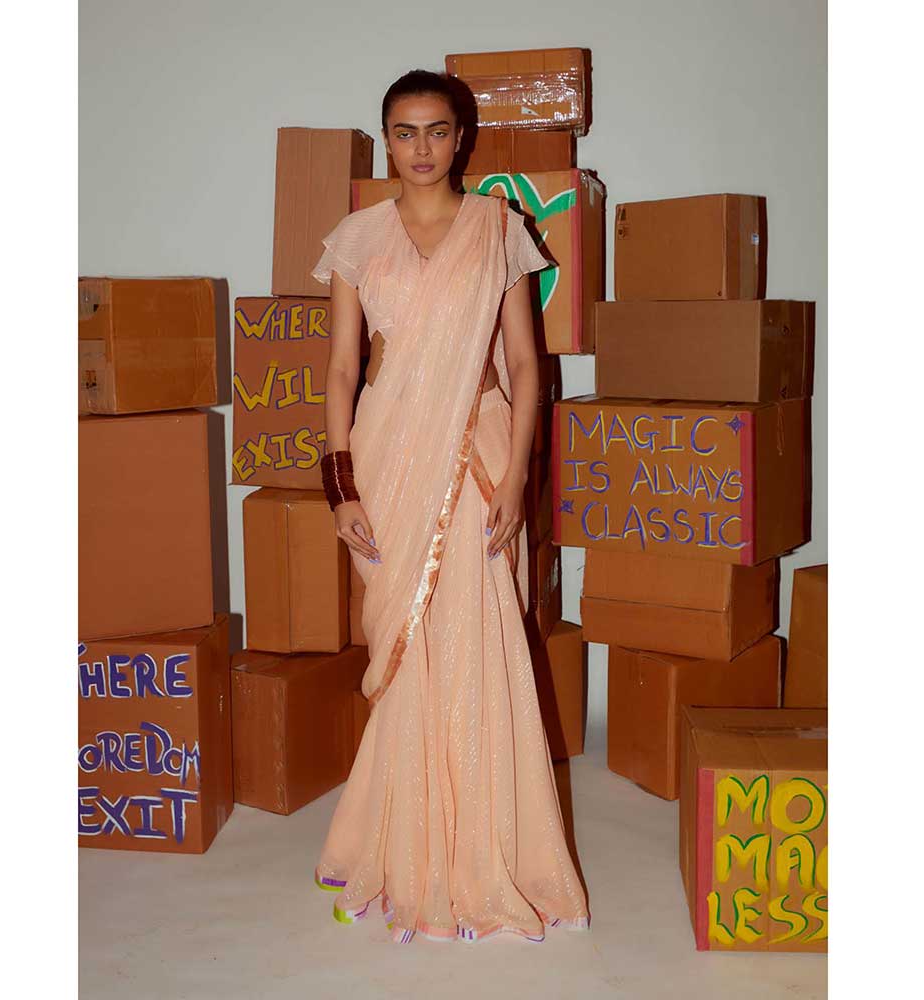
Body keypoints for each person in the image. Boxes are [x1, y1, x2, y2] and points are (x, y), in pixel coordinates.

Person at [310, 68, 591, 944]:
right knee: (407, 649)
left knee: (475, 642)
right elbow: (343, 369)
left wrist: (519, 479)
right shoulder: (357, 238)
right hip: (390, 454)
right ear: (386, 140)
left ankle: (485, 856)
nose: (422, 148)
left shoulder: (498, 228)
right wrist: (341, 483)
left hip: (479, 453)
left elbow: (527, 364)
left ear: (461, 138)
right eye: (405, 132)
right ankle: (401, 849)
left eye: (438, 130)